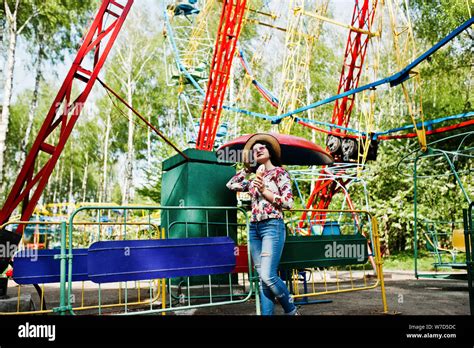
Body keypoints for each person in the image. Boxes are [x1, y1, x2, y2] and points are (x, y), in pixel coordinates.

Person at [226, 133, 299, 315]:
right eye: (254, 150)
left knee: (268, 275)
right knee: (262, 279)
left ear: (270, 152)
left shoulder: (280, 173)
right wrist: (246, 170)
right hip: (255, 229)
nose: (257, 150)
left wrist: (264, 190)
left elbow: (288, 203)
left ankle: (291, 310)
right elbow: (231, 185)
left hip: (272, 226)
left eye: (262, 148)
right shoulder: (252, 180)